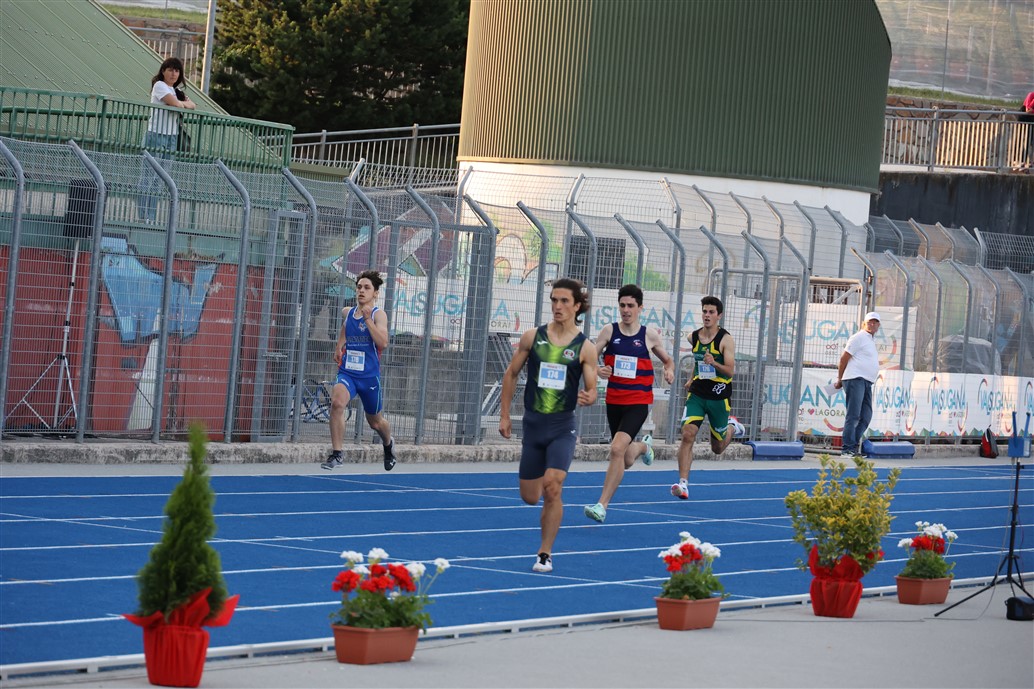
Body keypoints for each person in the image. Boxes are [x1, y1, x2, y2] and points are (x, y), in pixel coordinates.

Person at [499, 278, 598, 573]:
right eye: (554, 300)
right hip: (533, 425)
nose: (558, 306)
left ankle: (545, 553)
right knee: (530, 497)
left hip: (562, 427)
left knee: (553, 486)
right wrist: (505, 415)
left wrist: (591, 395)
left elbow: (592, 387)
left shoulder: (585, 347)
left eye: (564, 301)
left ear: (577, 306)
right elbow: (511, 374)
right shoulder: (533, 337)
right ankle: (545, 502)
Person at [583, 284, 675, 523]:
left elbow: (668, 360)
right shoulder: (608, 331)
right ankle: (643, 447)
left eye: (631, 306)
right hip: (614, 400)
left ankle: (602, 505)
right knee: (625, 458)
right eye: (622, 305)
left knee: (615, 449)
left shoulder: (648, 335)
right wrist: (598, 369)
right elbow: (589, 359)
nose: (626, 310)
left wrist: (669, 370)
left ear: (640, 308)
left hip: (638, 401)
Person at [322, 270, 398, 472]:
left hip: (369, 377)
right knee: (337, 403)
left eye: (367, 288)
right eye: (359, 287)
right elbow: (346, 326)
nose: (361, 291)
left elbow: (383, 343)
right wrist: (339, 346)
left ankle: (388, 444)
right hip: (348, 372)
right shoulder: (348, 312)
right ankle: (337, 454)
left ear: (375, 293)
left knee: (375, 423)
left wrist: (368, 321)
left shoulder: (378, 315)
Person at [672, 296, 744, 500]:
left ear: (719, 315)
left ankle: (732, 427)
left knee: (717, 448)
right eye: (704, 311)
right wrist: (691, 378)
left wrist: (714, 363)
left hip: (719, 396)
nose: (707, 315)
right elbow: (698, 361)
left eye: (711, 312)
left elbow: (730, 371)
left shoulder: (725, 340)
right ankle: (683, 484)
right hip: (697, 394)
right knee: (688, 434)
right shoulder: (693, 337)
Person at [137, 57, 195, 223]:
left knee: (161, 179)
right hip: (155, 135)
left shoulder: (176, 91)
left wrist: (180, 103)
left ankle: (151, 217)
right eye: (170, 70)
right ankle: (143, 217)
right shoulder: (160, 85)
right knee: (147, 177)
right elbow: (175, 104)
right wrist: (181, 104)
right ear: (163, 71)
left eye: (176, 71)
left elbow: (193, 105)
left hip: (171, 137)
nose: (173, 74)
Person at [833, 311, 881, 458]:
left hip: (866, 381)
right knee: (853, 415)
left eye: (875, 322)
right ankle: (847, 449)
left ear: (878, 325)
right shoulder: (858, 337)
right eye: (869, 322)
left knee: (866, 416)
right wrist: (840, 379)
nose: (872, 324)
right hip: (855, 379)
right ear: (864, 324)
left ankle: (852, 446)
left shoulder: (870, 340)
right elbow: (844, 359)